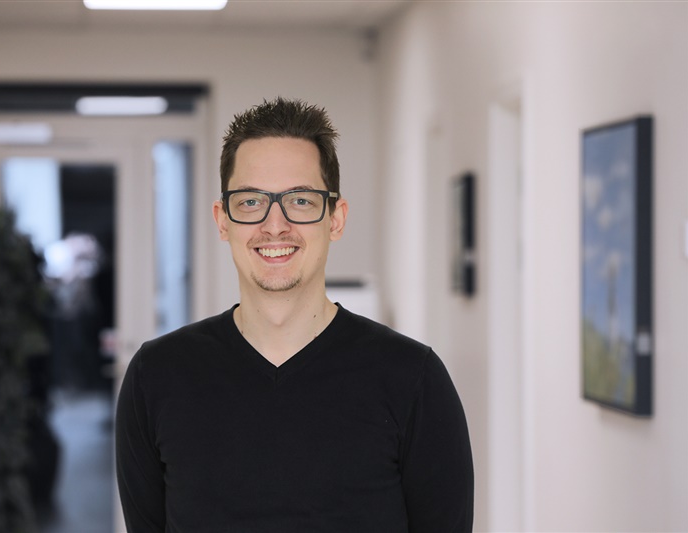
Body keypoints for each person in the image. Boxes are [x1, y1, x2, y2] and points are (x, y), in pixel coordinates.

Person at [115, 97, 474, 532]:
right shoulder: (156, 376)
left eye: (300, 200)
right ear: (223, 220)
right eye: (251, 202)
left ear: (335, 219)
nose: (275, 225)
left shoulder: (412, 378)